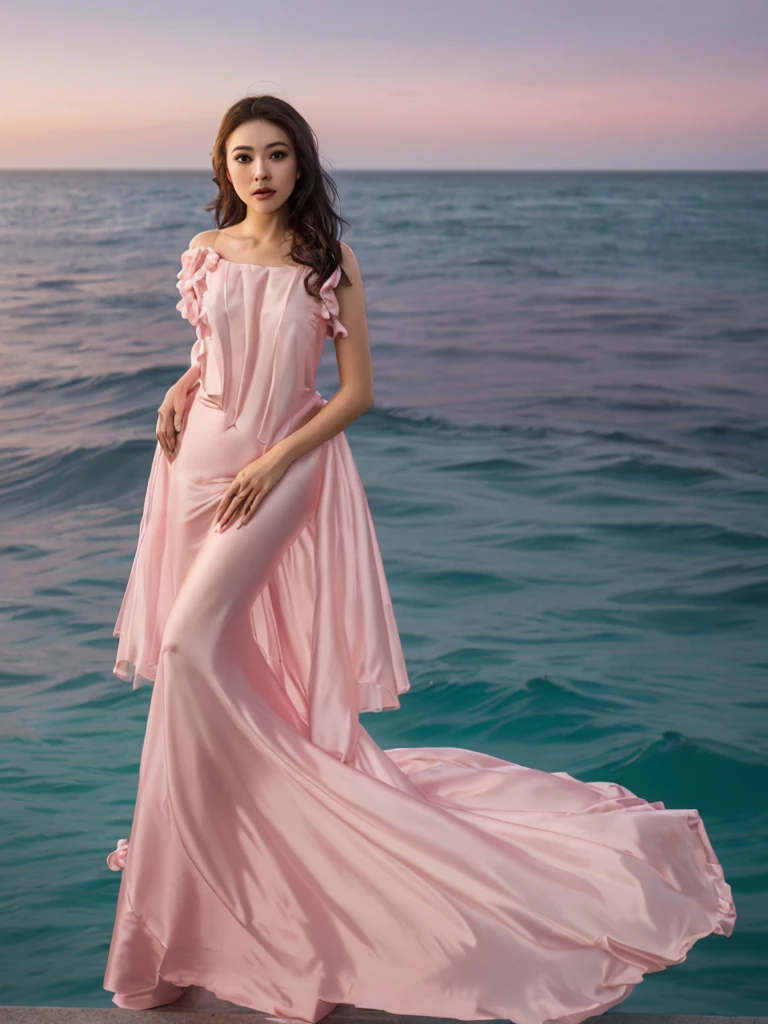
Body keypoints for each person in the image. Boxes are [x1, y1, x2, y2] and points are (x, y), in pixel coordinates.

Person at [103, 95, 736, 1024]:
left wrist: (272, 461)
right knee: (194, 666)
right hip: (190, 465)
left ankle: (293, 834)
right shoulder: (206, 254)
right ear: (222, 166)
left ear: (302, 164)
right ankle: (198, 890)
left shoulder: (329, 261)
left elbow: (354, 393)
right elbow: (216, 350)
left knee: (195, 650)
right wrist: (179, 382)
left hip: (280, 469)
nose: (261, 172)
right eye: (243, 157)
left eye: (277, 155)